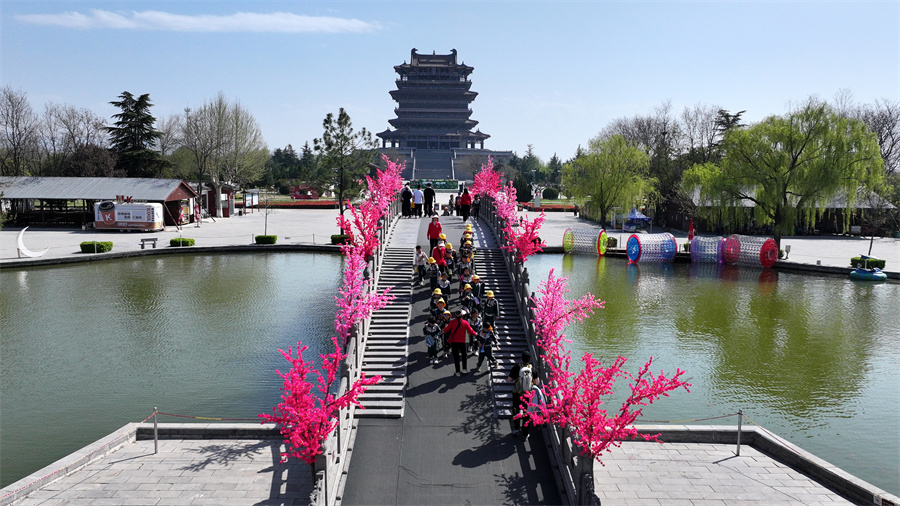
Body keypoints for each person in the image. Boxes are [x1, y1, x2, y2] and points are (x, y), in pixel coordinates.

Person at [443, 310, 477, 376]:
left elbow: (446, 329)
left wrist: (444, 329)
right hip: (462, 342)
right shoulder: (465, 322)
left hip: (454, 342)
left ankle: (457, 371)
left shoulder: (452, 322)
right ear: (462, 316)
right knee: (464, 356)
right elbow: (471, 331)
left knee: (456, 357)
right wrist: (476, 333)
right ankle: (464, 369)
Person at [508, 352, 533, 434]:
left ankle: (516, 428)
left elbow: (509, 379)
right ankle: (525, 432)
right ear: (530, 359)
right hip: (528, 394)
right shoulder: (532, 369)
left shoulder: (516, 368)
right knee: (527, 411)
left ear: (521, 359)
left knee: (516, 409)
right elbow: (537, 382)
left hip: (517, 393)